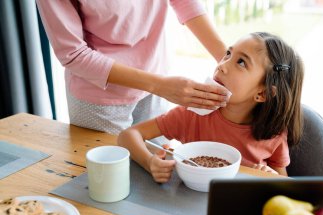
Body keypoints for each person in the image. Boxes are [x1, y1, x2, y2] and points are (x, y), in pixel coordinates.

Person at [118, 32, 304, 181]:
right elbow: (128, 135)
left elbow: (284, 186)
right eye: (228, 54)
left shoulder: (274, 134)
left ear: (262, 94)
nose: (222, 65)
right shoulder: (193, 113)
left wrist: (269, 178)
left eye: (241, 62)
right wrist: (149, 162)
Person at [36, 1, 229, 135]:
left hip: (156, 80)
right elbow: (73, 54)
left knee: (158, 170)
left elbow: (185, 2)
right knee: (105, 185)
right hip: (99, 100)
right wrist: (160, 85)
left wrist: (227, 60)